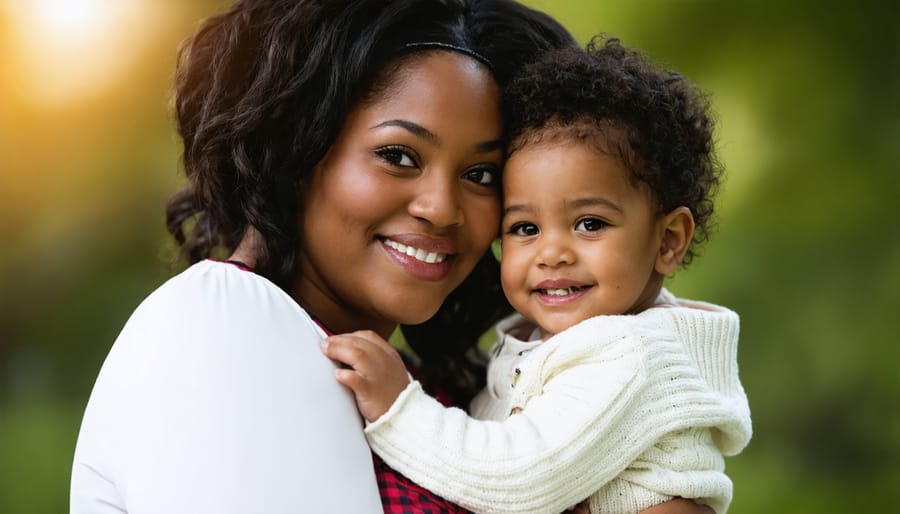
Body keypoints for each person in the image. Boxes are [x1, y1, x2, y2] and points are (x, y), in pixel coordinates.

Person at [69, 1, 579, 512]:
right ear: (297, 147)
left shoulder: (412, 397)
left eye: (480, 174)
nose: (442, 208)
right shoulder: (225, 320)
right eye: (398, 156)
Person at [320, 38, 752, 514]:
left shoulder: (630, 353)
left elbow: (519, 478)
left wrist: (398, 407)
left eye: (590, 224)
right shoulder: (539, 342)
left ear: (668, 240)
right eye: (525, 228)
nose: (551, 253)